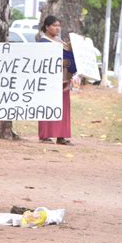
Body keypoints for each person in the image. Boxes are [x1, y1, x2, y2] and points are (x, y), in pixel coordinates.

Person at [37, 15, 77, 146]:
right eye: (54, 25)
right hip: (49, 81)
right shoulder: (43, 42)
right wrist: (60, 63)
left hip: (63, 80)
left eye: (59, 25)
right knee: (47, 106)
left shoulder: (60, 41)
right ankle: (45, 135)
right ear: (47, 27)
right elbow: (42, 61)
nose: (57, 28)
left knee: (63, 108)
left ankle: (61, 136)